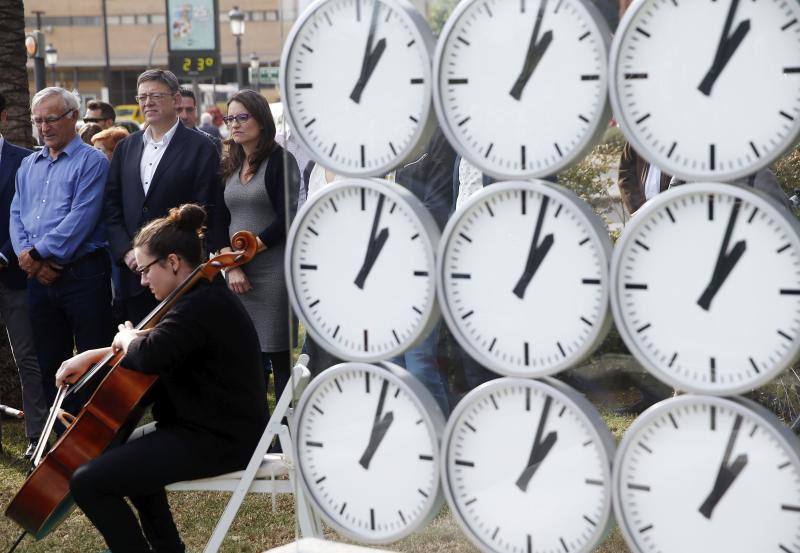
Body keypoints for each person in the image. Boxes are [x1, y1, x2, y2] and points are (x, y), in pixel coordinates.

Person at [57, 204, 268, 553]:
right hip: (203, 427)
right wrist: (96, 355)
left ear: (173, 262)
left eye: (145, 270)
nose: (142, 281)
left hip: (222, 437)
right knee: (124, 458)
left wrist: (126, 339)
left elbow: (149, 353)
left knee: (87, 482)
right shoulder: (194, 300)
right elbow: (157, 344)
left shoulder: (200, 306)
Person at [10, 87, 113, 409]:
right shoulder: (29, 164)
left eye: (51, 119)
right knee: (49, 365)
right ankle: (60, 444)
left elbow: (81, 217)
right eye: (38, 121)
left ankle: (96, 445)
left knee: (92, 364)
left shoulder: (92, 161)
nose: (44, 127)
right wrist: (29, 259)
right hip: (39, 281)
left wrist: (38, 255)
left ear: (73, 118)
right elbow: (17, 215)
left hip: (83, 276)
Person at [104, 69, 222, 325]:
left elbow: (205, 208)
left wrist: (161, 258)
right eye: (143, 97)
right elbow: (111, 205)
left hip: (178, 274)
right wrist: (127, 252)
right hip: (133, 275)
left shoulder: (201, 147)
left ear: (176, 99)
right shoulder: (126, 147)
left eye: (156, 95)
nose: (148, 102)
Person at [216, 89, 299, 405]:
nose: (234, 124)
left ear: (261, 121)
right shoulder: (229, 163)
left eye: (242, 117)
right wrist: (233, 264)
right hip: (236, 272)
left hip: (272, 271)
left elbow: (287, 217)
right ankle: (254, 431)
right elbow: (219, 221)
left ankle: (285, 435)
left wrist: (250, 250)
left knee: (278, 359)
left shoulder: (280, 161)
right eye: (230, 118)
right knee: (246, 356)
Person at [0, 93, 47, 458]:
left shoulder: (25, 161)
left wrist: (5, 253)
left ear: (2, 117)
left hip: (14, 274)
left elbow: (28, 215)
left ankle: (37, 436)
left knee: (27, 359)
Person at [618, 141, 672, 214]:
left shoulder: (682, 139)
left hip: (672, 212)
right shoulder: (637, 137)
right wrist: (638, 207)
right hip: (642, 212)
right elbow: (625, 175)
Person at [177, 87, 221, 153]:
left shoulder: (211, 143)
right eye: (179, 110)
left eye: (189, 110)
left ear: (195, 111)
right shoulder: (160, 142)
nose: (184, 116)